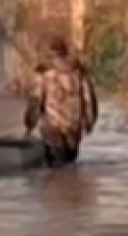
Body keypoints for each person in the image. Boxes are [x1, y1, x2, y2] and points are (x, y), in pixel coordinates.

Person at [23, 36, 99, 166]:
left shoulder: (44, 74)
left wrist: (29, 124)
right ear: (65, 51)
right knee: (69, 164)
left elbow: (35, 101)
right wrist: (89, 122)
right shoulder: (79, 74)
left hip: (52, 128)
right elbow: (89, 100)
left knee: (55, 169)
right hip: (73, 128)